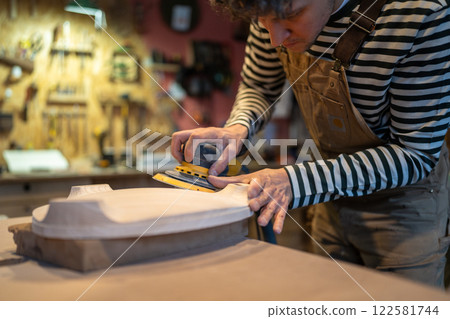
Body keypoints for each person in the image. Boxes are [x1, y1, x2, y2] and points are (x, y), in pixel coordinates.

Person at [171, 0, 450, 288]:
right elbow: (259, 86)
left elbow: (415, 152)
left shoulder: (420, 15)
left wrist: (295, 181)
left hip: (405, 209)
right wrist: (238, 128)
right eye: (263, 23)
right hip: (330, 198)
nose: (275, 39)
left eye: (292, 16)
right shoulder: (269, 5)